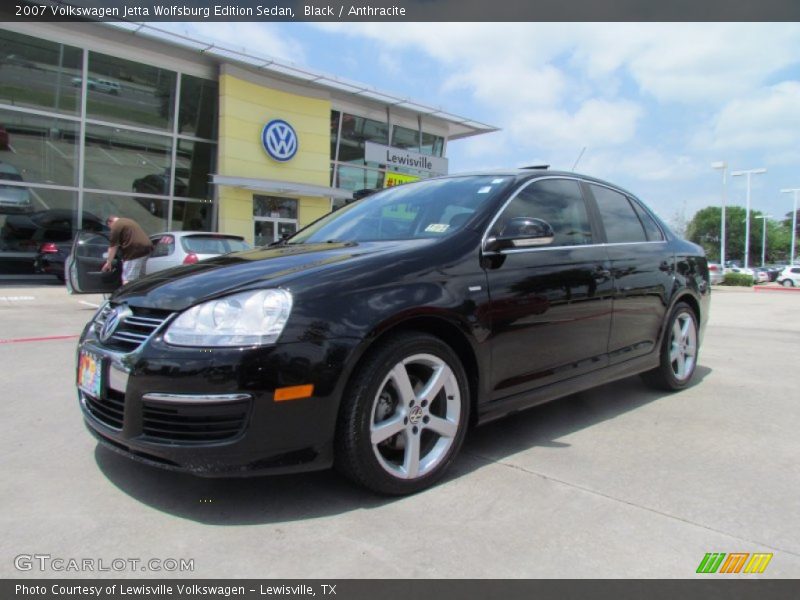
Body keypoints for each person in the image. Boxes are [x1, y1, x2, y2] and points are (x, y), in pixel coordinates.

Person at [101, 215, 152, 285]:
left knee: (128, 280)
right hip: (147, 249)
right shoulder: (128, 221)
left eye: (109, 227)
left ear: (110, 222)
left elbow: (113, 247)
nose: (110, 229)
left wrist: (108, 262)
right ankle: (139, 293)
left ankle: (128, 295)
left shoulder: (116, 225)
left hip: (134, 252)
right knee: (140, 278)